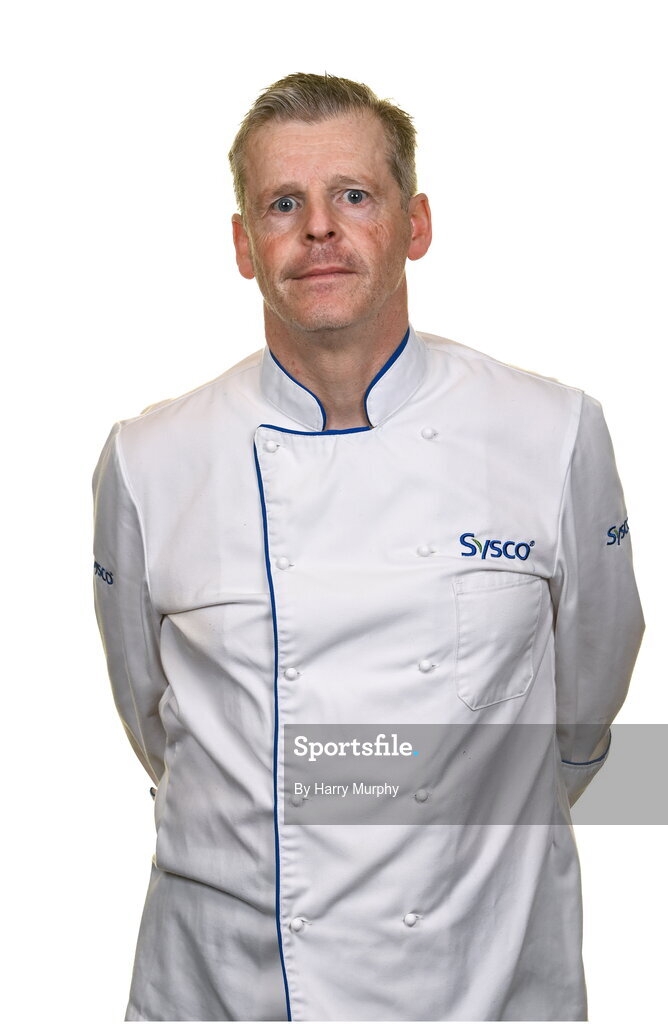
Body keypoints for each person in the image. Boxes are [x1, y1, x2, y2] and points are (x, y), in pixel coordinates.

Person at [92, 72, 645, 1022]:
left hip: (483, 976)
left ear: (415, 226)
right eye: (282, 203)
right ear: (243, 245)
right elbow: (156, 723)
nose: (319, 228)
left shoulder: (551, 430)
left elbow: (586, 703)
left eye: (354, 195)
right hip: (225, 984)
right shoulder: (149, 459)